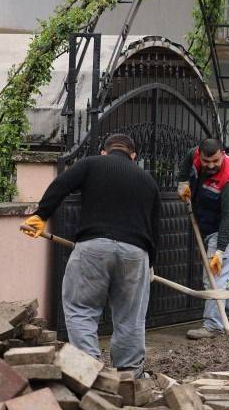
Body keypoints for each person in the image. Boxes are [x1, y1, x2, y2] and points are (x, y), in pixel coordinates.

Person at [19, 133, 160, 378]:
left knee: (81, 308)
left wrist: (41, 215)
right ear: (133, 156)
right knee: (130, 315)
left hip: (93, 247)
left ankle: (89, 372)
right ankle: (129, 376)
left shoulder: (91, 164)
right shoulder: (147, 180)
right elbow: (156, 224)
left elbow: (60, 185)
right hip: (136, 253)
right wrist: (151, 263)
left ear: (104, 151)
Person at [178, 138, 229, 339]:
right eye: (206, 161)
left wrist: (219, 251)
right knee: (222, 274)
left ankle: (213, 325)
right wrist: (183, 182)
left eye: (215, 161)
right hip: (207, 222)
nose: (210, 165)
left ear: (223, 153)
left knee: (213, 275)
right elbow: (186, 163)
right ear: (200, 153)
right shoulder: (194, 154)